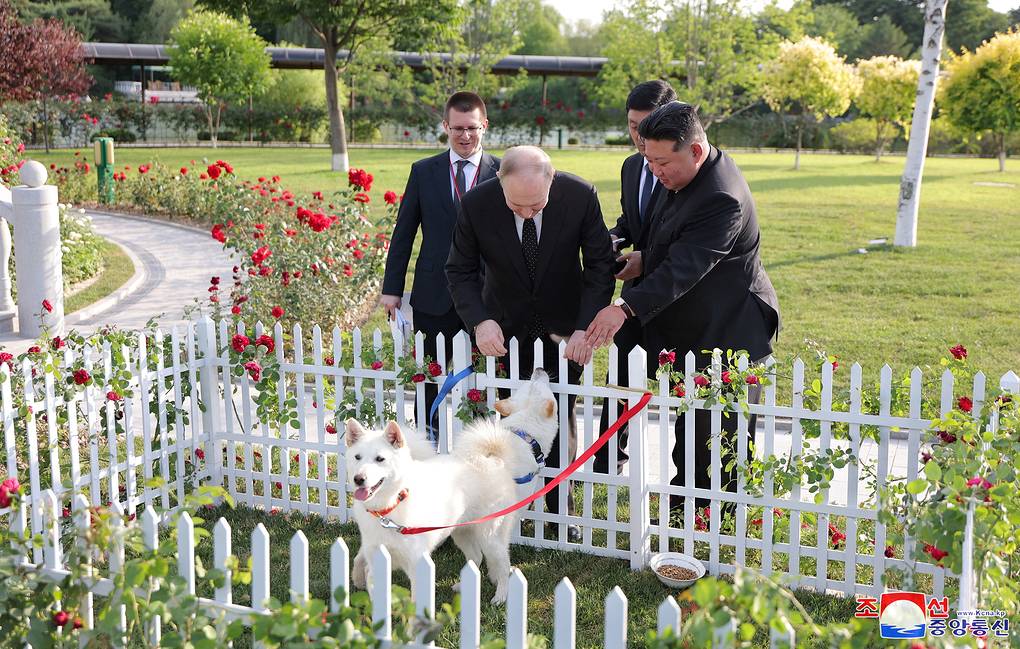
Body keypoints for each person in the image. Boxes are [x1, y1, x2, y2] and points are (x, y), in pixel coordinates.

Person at [585, 102, 781, 513]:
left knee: (716, 439)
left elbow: (686, 267)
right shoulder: (680, 175)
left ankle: (714, 519)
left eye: (660, 162)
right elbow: (669, 240)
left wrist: (623, 308)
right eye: (647, 160)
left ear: (694, 150)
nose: (654, 171)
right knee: (690, 429)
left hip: (730, 330)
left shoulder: (722, 197)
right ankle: (683, 507)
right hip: (693, 325)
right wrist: (642, 260)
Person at [446, 146, 615, 541]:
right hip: (505, 329)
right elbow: (459, 269)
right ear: (499, 185)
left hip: (565, 331)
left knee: (559, 414)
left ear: (551, 182)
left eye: (536, 205)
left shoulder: (580, 195)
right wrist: (480, 321)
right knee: (511, 421)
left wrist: (584, 327)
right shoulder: (476, 204)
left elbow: (599, 267)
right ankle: (509, 507)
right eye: (516, 205)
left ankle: (561, 514)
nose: (527, 213)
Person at [381, 91, 500, 435]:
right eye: (458, 128)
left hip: (485, 294)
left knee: (481, 375)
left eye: (473, 128)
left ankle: (478, 442)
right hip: (433, 294)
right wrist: (391, 290)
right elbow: (403, 233)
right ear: (446, 126)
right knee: (428, 375)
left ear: (484, 126)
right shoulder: (423, 172)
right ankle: (428, 440)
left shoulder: (502, 170)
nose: (465, 136)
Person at [593, 80, 677, 476]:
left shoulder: (681, 170)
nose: (640, 138)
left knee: (681, 389)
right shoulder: (630, 166)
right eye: (632, 126)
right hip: (634, 293)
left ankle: (685, 474)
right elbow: (633, 221)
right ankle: (610, 460)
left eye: (648, 127)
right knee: (620, 381)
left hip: (678, 294)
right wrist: (612, 237)